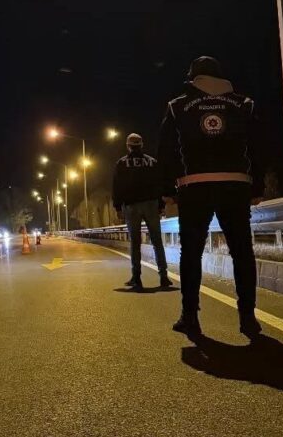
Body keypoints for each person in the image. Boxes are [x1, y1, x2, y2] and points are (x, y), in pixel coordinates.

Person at [158, 56, 265, 338]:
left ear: (193, 77)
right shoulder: (244, 104)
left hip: (194, 186)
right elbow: (258, 147)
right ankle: (248, 318)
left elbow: (166, 150)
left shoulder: (177, 105)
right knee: (242, 252)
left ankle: (190, 317)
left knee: (191, 253)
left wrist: (168, 190)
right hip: (236, 184)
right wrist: (258, 187)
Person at [112, 133, 172, 292]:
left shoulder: (122, 164)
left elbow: (117, 187)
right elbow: (159, 184)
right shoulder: (151, 162)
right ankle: (164, 276)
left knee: (135, 243)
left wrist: (118, 207)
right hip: (151, 205)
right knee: (157, 241)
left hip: (131, 207)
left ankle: (136, 277)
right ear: (141, 145)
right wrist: (160, 205)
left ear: (128, 146)